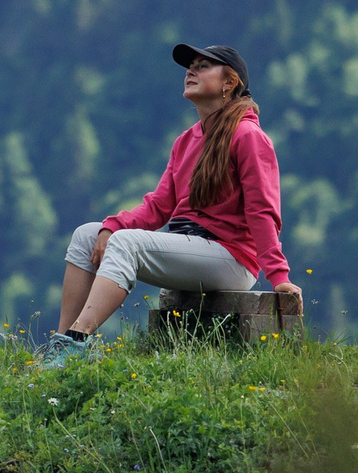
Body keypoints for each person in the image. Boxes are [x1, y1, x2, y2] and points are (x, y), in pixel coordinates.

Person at [44, 42, 294, 366]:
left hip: (232, 259)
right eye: (191, 66)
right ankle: (62, 346)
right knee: (86, 235)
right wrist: (111, 226)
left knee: (126, 243)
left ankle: (78, 340)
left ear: (229, 82)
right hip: (189, 248)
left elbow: (262, 211)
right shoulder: (186, 141)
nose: (191, 71)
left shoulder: (248, 136)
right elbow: (158, 207)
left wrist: (279, 276)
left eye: (203, 66)